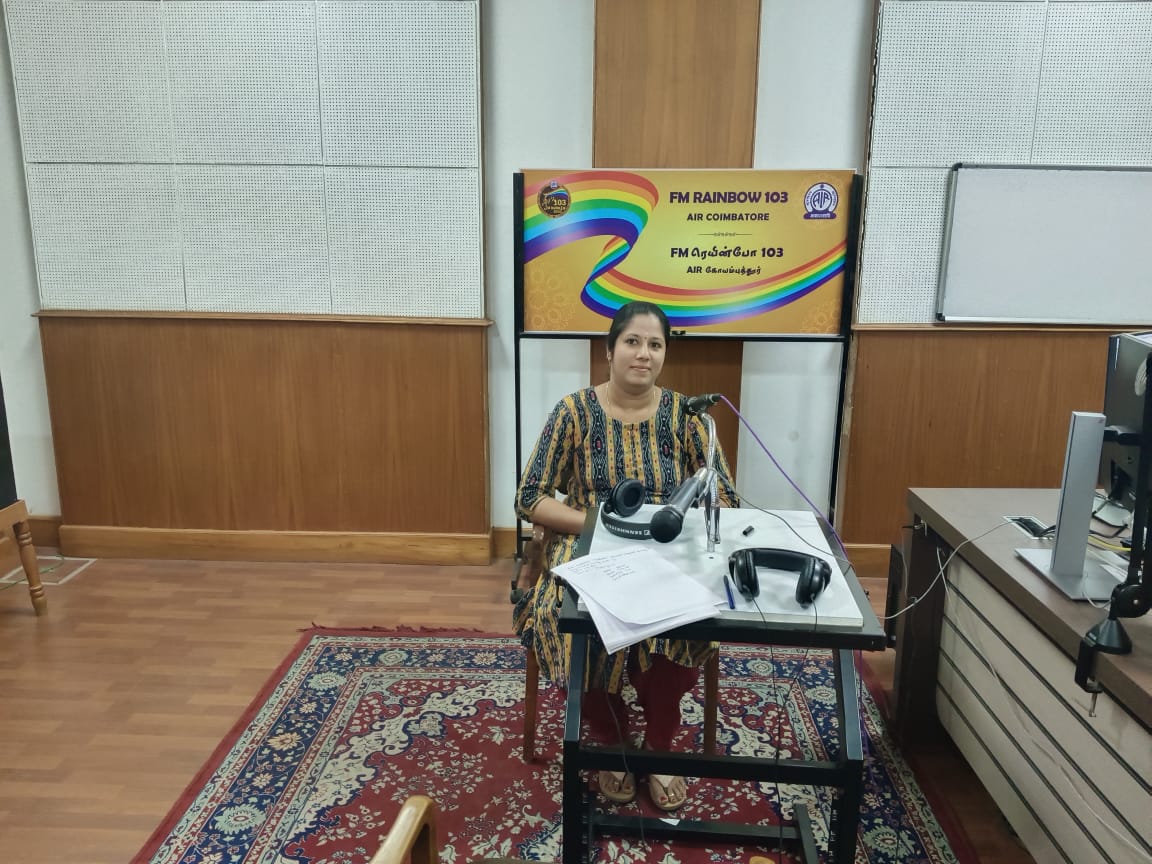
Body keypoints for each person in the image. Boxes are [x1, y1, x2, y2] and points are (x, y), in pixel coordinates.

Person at [513, 300, 737, 811]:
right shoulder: (573, 412)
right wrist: (594, 522)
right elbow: (530, 497)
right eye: (632, 342)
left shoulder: (688, 416)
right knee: (564, 617)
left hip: (667, 545)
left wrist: (688, 519)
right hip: (586, 543)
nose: (644, 354)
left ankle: (658, 747)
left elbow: (723, 495)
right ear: (609, 350)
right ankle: (610, 739)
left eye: (655, 344)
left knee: (685, 618)